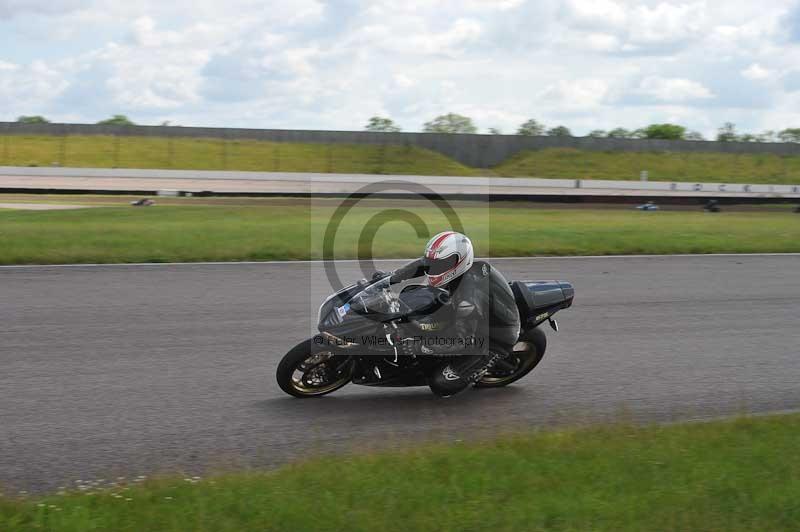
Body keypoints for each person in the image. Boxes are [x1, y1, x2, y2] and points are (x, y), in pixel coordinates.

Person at [385, 231, 521, 397]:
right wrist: (390, 279)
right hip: (476, 314)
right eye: (433, 263)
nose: (434, 268)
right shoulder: (461, 271)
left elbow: (460, 341)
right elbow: (422, 265)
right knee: (417, 302)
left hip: (490, 339)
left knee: (441, 384)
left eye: (440, 265)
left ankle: (482, 366)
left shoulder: (467, 301)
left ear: (460, 261)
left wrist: (420, 346)